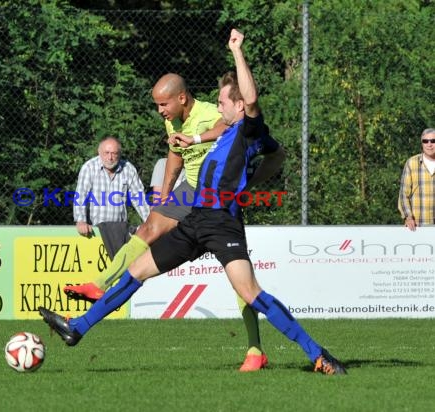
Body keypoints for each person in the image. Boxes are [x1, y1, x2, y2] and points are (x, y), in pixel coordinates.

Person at [41, 29, 346, 375]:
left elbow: (255, 105)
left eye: (222, 102)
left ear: (240, 105)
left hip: (222, 224)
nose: (217, 107)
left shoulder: (248, 130)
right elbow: (270, 152)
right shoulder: (225, 134)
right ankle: (77, 328)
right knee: (137, 270)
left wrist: (237, 52)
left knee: (250, 293)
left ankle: (317, 354)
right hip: (196, 221)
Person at [65, 73, 268, 372]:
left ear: (181, 98)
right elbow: (175, 155)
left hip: (216, 195)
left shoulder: (213, 112)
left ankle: (255, 349)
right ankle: (99, 284)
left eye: (163, 103)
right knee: (149, 227)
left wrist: (198, 138)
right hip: (189, 191)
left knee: (239, 278)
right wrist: (163, 192)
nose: (160, 110)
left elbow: (232, 125)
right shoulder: (172, 120)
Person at [74, 136, 150, 259]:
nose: (110, 157)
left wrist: (150, 223)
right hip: (94, 230)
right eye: (106, 153)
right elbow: (81, 195)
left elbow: (138, 197)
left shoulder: (128, 169)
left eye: (114, 153)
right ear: (99, 152)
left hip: (119, 231)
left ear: (119, 154)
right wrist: (80, 220)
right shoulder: (89, 168)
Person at [398, 128, 435, 231]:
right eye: (425, 141)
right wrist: (408, 217)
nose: (429, 144)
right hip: (416, 227)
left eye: (433, 141)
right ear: (421, 143)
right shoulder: (411, 163)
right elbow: (403, 194)